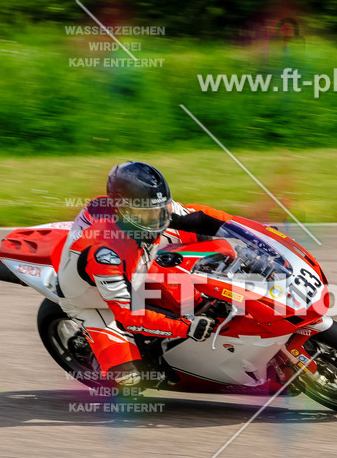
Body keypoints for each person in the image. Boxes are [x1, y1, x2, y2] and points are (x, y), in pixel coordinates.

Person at [57, 161, 230, 389]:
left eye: (159, 210)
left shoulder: (149, 209)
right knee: (130, 381)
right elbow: (129, 315)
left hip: (132, 256)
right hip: (92, 300)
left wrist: (259, 233)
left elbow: (203, 217)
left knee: (202, 235)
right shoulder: (104, 253)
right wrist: (186, 328)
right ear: (122, 210)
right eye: (146, 214)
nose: (156, 218)